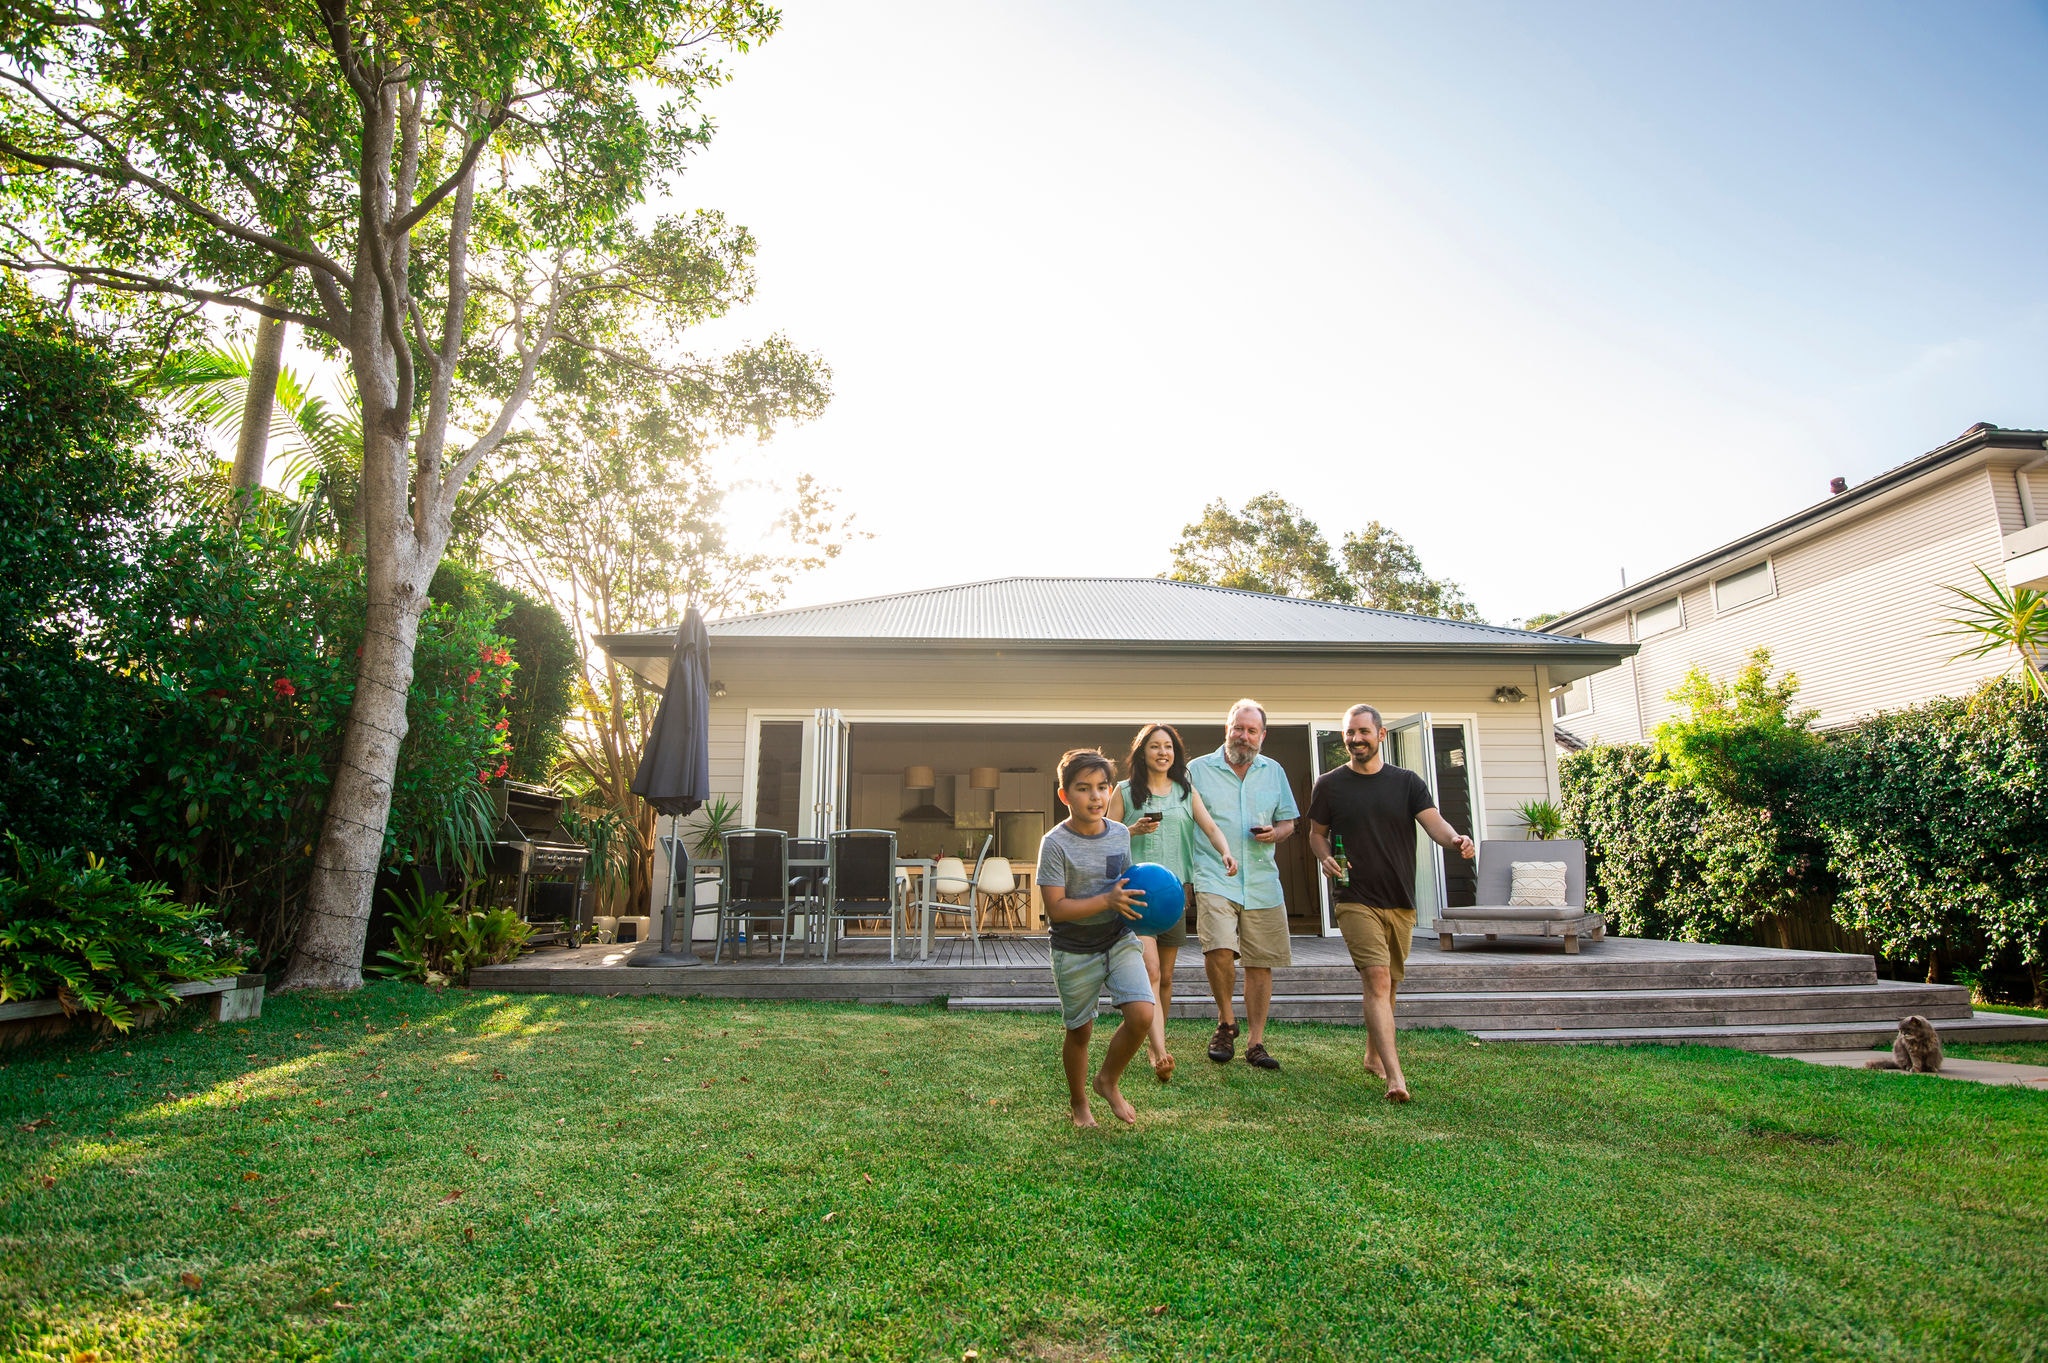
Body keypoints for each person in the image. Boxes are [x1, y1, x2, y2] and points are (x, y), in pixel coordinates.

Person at [1306, 702, 1476, 1103]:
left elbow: (1434, 822)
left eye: (1363, 732)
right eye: (1349, 732)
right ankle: (1395, 1077)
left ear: (1381, 735)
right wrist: (1324, 855)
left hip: (1399, 898)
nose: (1355, 739)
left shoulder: (1407, 782)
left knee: (1390, 983)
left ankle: (1371, 1054)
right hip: (1354, 897)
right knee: (1378, 979)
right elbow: (1316, 834)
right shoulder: (1329, 784)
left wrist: (1455, 840)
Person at [1108, 723, 1238, 1084]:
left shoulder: (1185, 790)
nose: (1162, 752)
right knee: (1149, 971)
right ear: (1142, 753)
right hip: (1137, 894)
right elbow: (1102, 834)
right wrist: (1132, 831)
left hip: (1175, 895)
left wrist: (1226, 852)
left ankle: (1153, 1042)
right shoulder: (1124, 791)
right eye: (1154, 747)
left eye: (1168, 747)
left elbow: (1209, 826)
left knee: (1165, 977)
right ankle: (1158, 1050)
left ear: (1175, 754)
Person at [1037, 748, 1156, 1128]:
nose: (1096, 797)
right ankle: (1079, 1102)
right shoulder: (1054, 844)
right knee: (1080, 1030)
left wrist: (1150, 901)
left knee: (1141, 1014)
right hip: (1073, 948)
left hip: (1117, 938)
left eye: (1102, 787)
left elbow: (1126, 884)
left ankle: (1108, 1080)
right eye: (1084, 788)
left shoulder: (1120, 834)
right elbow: (1056, 908)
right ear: (1065, 795)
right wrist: (1106, 899)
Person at [1186, 699, 1299, 1071]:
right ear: (1227, 729)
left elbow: (1289, 823)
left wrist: (1276, 833)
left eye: (1252, 731)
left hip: (1263, 880)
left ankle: (1255, 1042)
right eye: (1238, 728)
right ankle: (1225, 1021)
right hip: (1214, 874)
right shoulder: (1197, 770)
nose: (1244, 736)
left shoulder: (1274, 771)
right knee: (1217, 947)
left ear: (1262, 736)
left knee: (1260, 961)